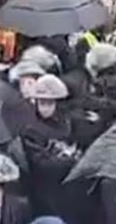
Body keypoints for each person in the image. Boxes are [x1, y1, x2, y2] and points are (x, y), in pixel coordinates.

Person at [20, 75, 81, 222]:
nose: (45, 108)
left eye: (49, 103)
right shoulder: (31, 129)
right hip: (45, 190)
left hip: (69, 187)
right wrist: (71, 161)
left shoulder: (68, 123)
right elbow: (39, 163)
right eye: (42, 103)